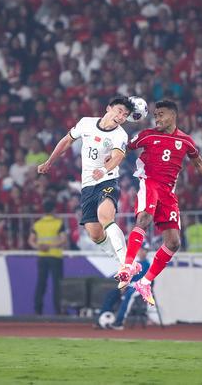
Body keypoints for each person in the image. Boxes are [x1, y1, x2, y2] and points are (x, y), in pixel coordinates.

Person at [119, 99, 202, 304]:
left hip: (168, 193)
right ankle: (127, 265)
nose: (157, 118)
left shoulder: (186, 141)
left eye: (161, 114)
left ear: (173, 115)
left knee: (174, 243)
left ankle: (145, 283)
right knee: (144, 218)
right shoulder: (147, 135)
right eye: (155, 115)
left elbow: (199, 164)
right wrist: (109, 163)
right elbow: (123, 149)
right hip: (150, 183)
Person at [38, 97, 134, 277]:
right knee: (95, 234)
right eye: (119, 111)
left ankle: (126, 263)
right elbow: (67, 141)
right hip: (88, 185)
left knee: (105, 216)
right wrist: (49, 161)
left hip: (108, 180)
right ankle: (123, 261)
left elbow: (117, 157)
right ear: (108, 108)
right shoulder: (86, 123)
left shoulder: (120, 135)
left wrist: (104, 170)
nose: (121, 116)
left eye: (125, 115)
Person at [28, 199, 67, 315]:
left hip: (42, 256)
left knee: (41, 283)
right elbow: (63, 240)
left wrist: (39, 246)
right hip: (55, 256)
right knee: (57, 284)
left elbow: (30, 241)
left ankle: (38, 309)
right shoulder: (58, 223)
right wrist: (50, 246)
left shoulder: (37, 224)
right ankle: (58, 310)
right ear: (53, 210)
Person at [98, 244, 151, 330]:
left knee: (129, 295)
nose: (142, 252)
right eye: (141, 250)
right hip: (128, 286)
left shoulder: (147, 264)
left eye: (144, 250)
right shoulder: (134, 263)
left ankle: (119, 322)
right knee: (111, 294)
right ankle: (101, 320)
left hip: (139, 288)